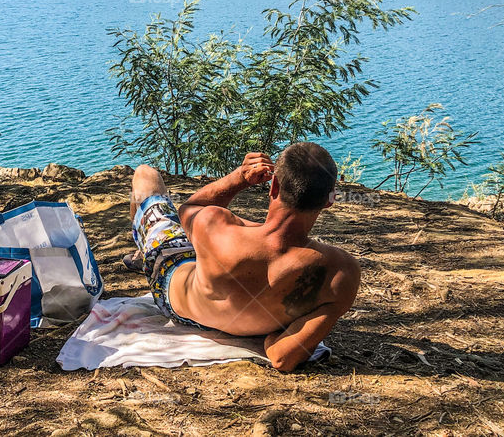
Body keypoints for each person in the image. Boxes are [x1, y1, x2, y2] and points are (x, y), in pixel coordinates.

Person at [128, 143, 360, 371]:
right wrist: (270, 336)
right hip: (249, 324)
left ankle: (143, 253)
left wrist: (240, 177)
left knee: (146, 176)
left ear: (274, 186)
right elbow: (283, 358)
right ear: (330, 200)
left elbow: (188, 209)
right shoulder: (341, 271)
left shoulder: (215, 225)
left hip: (173, 291)